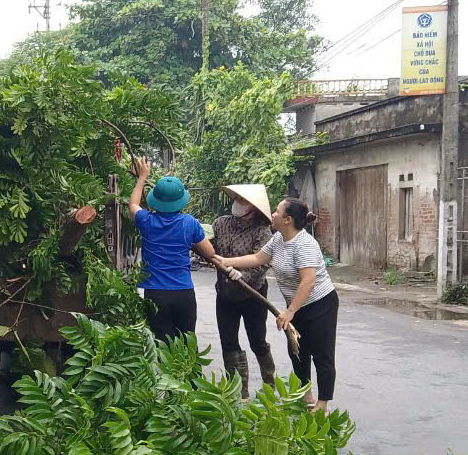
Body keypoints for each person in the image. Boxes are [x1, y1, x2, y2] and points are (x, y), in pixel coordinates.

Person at [215, 198, 338, 413]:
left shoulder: (305, 244)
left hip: (320, 303)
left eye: (277, 211)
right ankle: (306, 394)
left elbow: (307, 281)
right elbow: (257, 258)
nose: (272, 214)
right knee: (298, 351)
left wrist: (289, 312)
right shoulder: (279, 239)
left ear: (288, 219)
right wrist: (226, 261)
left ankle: (322, 403)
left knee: (322, 353)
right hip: (296, 304)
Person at [128, 158, 215, 341]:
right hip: (183, 292)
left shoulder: (146, 221)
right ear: (181, 202)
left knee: (162, 345)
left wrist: (142, 177)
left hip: (155, 293)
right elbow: (209, 253)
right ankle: (191, 371)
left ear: (155, 201)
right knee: (186, 343)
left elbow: (133, 205)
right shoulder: (190, 223)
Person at [212, 184, 276, 399]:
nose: (237, 204)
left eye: (243, 201)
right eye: (237, 199)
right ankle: (240, 392)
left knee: (257, 340)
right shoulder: (221, 224)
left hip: (253, 294)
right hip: (225, 293)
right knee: (228, 341)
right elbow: (210, 249)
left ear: (253, 209)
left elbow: (262, 263)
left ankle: (269, 385)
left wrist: (243, 277)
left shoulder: (262, 231)